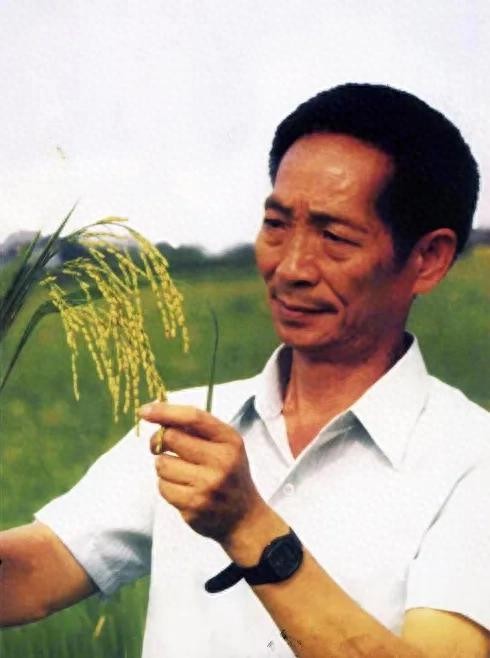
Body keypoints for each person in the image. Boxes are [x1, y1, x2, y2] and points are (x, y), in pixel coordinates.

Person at [1, 83, 489, 658]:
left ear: (427, 258)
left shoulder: (471, 458)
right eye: (276, 224)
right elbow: (33, 572)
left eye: (334, 237)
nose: (291, 267)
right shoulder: (188, 423)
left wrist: (249, 526)